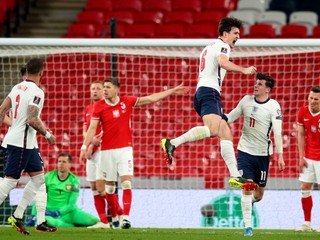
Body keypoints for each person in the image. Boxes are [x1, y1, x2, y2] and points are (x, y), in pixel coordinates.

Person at [161, 17, 257, 190]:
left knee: (225, 133)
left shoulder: (207, 47)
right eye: (235, 33)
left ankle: (235, 176)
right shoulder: (223, 46)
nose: (238, 37)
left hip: (202, 93)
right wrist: (243, 70)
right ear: (225, 34)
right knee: (215, 130)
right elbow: (222, 62)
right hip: (210, 92)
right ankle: (172, 142)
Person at [80, 78, 189, 229]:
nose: (104, 90)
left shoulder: (127, 101)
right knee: (109, 188)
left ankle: (125, 217)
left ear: (117, 89)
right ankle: (115, 217)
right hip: (106, 151)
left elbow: (150, 98)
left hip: (125, 149)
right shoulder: (98, 106)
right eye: (103, 87)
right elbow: (92, 128)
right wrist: (84, 147)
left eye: (107, 87)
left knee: (126, 182)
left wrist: (171, 91)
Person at [0, 58, 56, 235]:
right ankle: (20, 217)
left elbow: (1, 111)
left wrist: (14, 125)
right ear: (41, 73)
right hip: (21, 144)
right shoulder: (37, 92)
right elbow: (32, 119)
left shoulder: (17, 87)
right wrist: (47, 134)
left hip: (24, 142)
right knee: (9, 182)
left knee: (39, 179)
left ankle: (19, 216)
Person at [224, 73, 285, 236]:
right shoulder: (246, 100)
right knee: (247, 186)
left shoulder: (274, 106)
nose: (255, 86)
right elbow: (231, 117)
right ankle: (248, 227)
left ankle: (248, 203)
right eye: (256, 83)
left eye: (259, 84)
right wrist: (219, 117)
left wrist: (280, 155)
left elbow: (278, 132)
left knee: (258, 194)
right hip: (245, 151)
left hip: (263, 154)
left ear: (267, 89)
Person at [83, 81, 123, 228]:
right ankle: (104, 221)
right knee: (94, 187)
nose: (95, 91)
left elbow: (107, 130)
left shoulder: (106, 108)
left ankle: (121, 213)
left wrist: (92, 144)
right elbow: (86, 130)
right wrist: (86, 146)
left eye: (98, 88)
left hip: (103, 150)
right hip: (91, 151)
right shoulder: (88, 109)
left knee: (102, 188)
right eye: (92, 88)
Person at [29, 152, 100, 227]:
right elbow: (39, 198)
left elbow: (71, 205)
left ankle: (67, 224)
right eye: (59, 161)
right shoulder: (48, 177)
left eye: (64, 162)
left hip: (69, 213)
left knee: (96, 221)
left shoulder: (74, 181)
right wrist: (33, 215)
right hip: (50, 213)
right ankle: (71, 226)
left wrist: (58, 212)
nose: (61, 164)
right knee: (46, 221)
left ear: (70, 164)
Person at [295, 86, 320, 232]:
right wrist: (301, 156)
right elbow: (300, 134)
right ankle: (307, 223)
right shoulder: (303, 111)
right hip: (309, 157)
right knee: (304, 187)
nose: (312, 101)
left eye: (316, 99)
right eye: (310, 98)